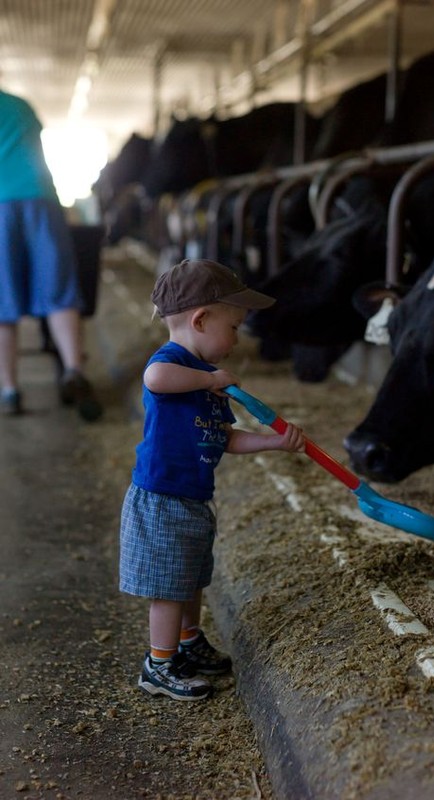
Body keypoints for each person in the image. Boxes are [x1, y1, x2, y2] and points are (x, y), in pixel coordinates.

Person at [120, 259, 305, 701]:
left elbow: (224, 438)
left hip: (192, 497)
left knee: (190, 580)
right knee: (169, 587)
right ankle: (158, 665)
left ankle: (187, 643)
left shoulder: (205, 384)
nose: (237, 339)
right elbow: (154, 378)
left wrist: (273, 442)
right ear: (201, 320)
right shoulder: (174, 364)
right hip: (162, 497)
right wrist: (210, 377)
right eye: (235, 327)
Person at [0, 87, 102, 420]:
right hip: (41, 199)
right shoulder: (20, 106)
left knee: (3, 302)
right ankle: (74, 370)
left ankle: (10, 390)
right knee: (59, 290)